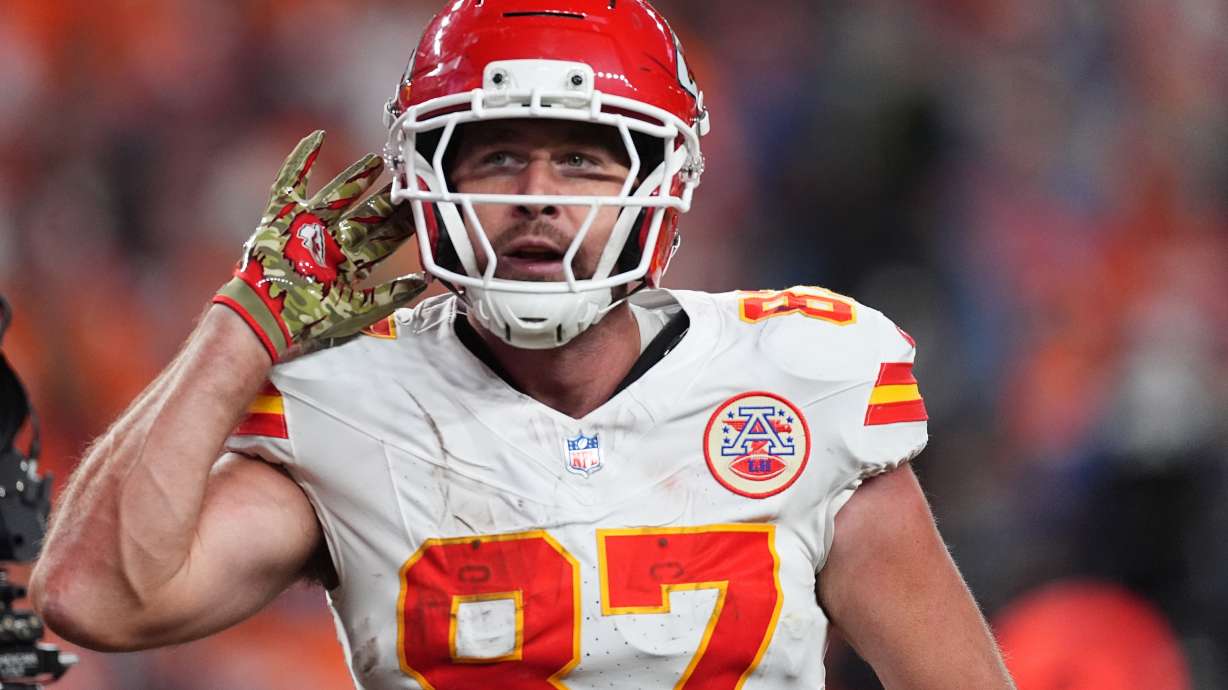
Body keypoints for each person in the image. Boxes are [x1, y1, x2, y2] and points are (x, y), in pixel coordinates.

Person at [30, 1, 1016, 688]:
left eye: (582, 159)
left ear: (657, 183)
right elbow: (94, 597)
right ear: (424, 179)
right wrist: (243, 325)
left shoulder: (799, 381)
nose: (535, 196)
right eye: (498, 154)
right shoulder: (352, 407)